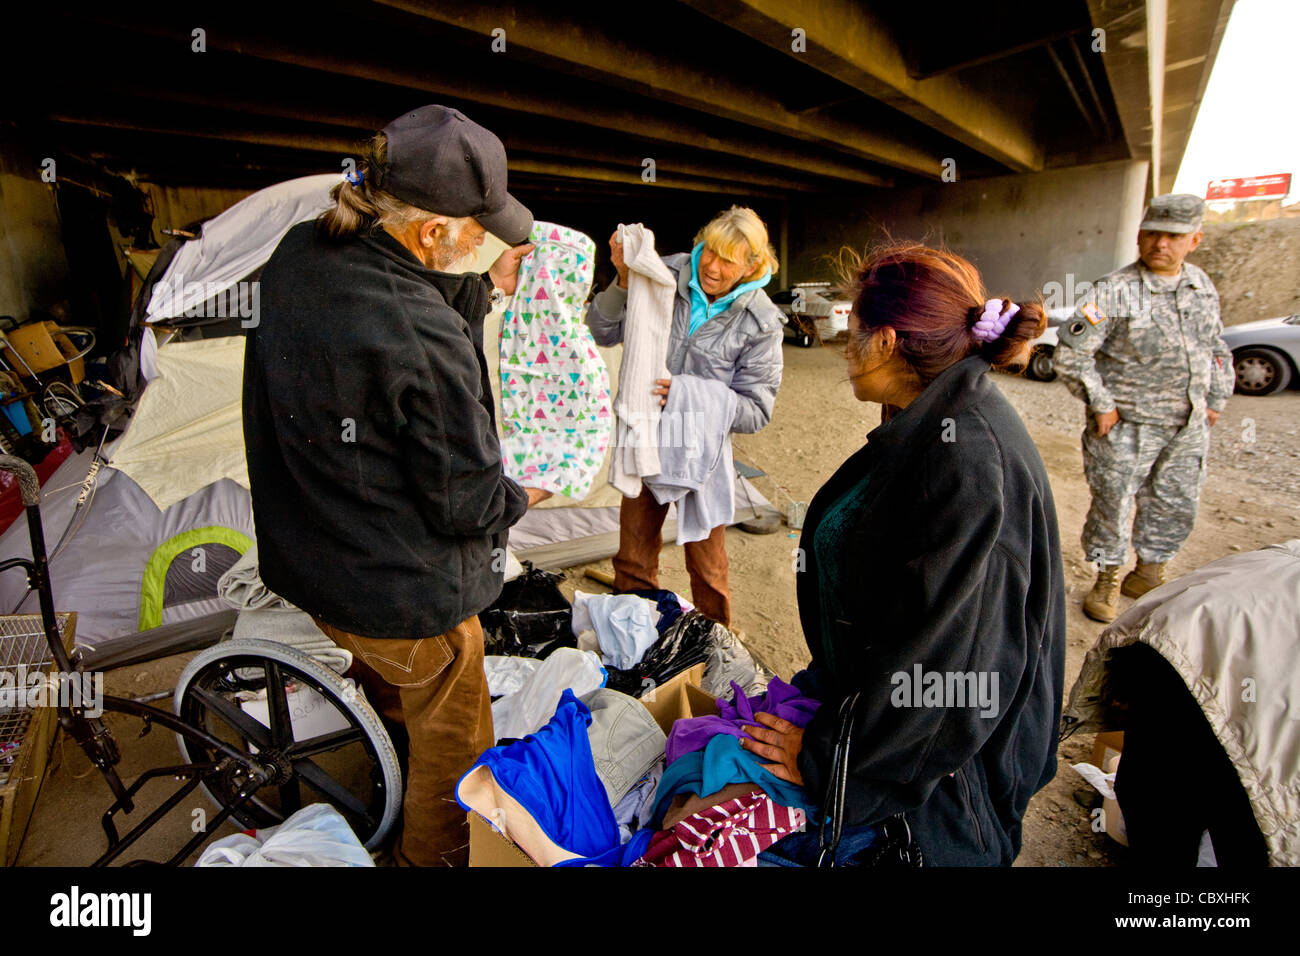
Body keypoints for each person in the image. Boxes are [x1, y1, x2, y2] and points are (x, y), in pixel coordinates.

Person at [243, 105, 545, 867]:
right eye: (478, 228)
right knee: (458, 734)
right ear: (431, 232)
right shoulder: (424, 336)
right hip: (398, 592)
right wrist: (530, 494)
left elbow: (386, 306)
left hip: (310, 556)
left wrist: (483, 292)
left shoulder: (302, 251)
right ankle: (430, 859)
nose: (487, 243)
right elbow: (469, 502)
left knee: (398, 678)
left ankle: (389, 735)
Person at [739, 243, 1067, 866]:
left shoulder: (969, 463)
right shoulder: (929, 417)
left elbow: (952, 674)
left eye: (854, 331)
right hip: (894, 735)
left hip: (939, 798)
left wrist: (831, 760)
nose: (844, 347)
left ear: (886, 342)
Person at [585, 206, 783, 626]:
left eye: (727, 259)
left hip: (701, 449)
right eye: (708, 250)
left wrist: (688, 394)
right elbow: (601, 331)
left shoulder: (760, 322)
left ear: (751, 266)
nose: (710, 265)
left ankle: (716, 647)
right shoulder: (660, 275)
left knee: (708, 568)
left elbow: (756, 410)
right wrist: (623, 279)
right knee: (634, 558)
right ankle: (632, 643)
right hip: (646, 437)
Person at [1053, 193, 1234, 623]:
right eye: (1152, 233)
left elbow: (1216, 348)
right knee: (1112, 505)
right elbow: (1070, 355)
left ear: (1194, 240)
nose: (1160, 244)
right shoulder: (1113, 291)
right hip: (1126, 427)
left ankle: (1149, 572)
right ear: (1139, 235)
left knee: (1174, 502)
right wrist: (1100, 403)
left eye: (1173, 236)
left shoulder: (1201, 285)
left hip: (1186, 428)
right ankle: (1108, 577)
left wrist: (1215, 399)